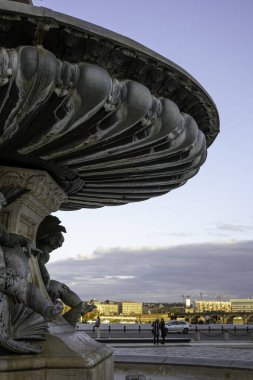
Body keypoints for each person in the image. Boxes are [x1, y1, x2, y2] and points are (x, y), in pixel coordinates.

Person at [36, 215, 95, 326]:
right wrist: (47, 285)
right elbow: (44, 275)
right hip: (38, 288)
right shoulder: (42, 253)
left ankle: (81, 306)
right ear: (49, 240)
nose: (54, 249)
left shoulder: (41, 252)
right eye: (55, 246)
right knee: (60, 287)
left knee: (60, 287)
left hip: (36, 285)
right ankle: (81, 307)